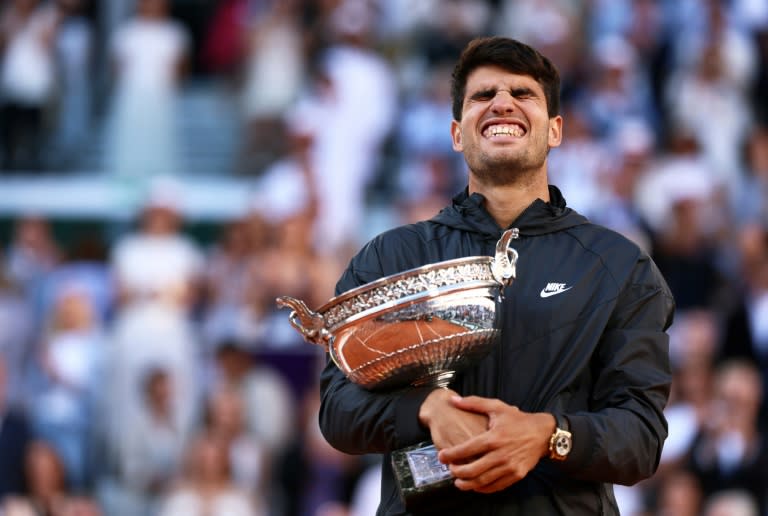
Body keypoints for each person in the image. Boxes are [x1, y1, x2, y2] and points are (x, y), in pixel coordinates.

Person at [317, 36, 675, 515]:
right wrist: (424, 409)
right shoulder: (391, 255)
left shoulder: (617, 265)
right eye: (482, 96)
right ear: (456, 134)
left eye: (523, 94)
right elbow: (337, 409)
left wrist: (549, 435)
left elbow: (642, 436)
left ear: (555, 130)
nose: (502, 103)